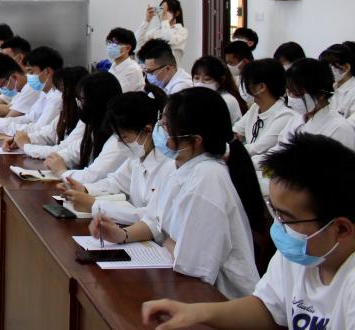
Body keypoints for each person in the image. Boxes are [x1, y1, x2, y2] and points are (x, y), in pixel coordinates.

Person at [140, 133, 355, 330]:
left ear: (341, 229)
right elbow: (266, 309)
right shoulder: (305, 253)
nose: (278, 226)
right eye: (275, 212)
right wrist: (197, 313)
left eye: (286, 218)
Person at [90, 87, 264, 299]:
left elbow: (192, 265)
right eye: (161, 124)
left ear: (195, 141)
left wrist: (168, 241)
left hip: (216, 298)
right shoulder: (179, 166)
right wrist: (122, 235)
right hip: (182, 281)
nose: (160, 134)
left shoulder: (207, 179)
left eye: (166, 128)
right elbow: (154, 220)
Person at [61, 91, 174, 225]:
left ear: (147, 130)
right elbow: (115, 183)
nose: (120, 143)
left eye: (124, 137)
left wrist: (94, 205)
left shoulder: (169, 164)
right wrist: (85, 189)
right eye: (117, 137)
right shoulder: (138, 155)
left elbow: (150, 216)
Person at [42, 71, 129, 184]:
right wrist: (56, 158)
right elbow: (72, 151)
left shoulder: (119, 139)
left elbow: (93, 177)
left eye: (82, 101)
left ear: (98, 103)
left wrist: (61, 172)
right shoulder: (94, 128)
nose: (79, 105)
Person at [277, 58, 355, 149]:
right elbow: (280, 146)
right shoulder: (297, 117)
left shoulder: (340, 129)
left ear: (320, 94)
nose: (291, 97)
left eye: (297, 94)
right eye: (288, 91)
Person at [234, 59, 299, 167]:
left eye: (246, 83)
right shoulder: (255, 107)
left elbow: (258, 148)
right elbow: (236, 132)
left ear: (261, 87)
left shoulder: (285, 115)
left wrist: (230, 151)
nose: (243, 87)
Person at [0, 46, 65, 144]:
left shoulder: (58, 98)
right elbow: (29, 118)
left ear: (47, 72)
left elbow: (38, 129)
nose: (28, 77)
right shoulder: (44, 93)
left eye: (31, 72)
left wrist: (1, 124)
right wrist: (1, 122)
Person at [17, 66, 89, 159]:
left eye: (62, 91)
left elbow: (62, 150)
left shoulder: (85, 120)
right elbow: (47, 134)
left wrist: (26, 146)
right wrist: (25, 139)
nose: (60, 96)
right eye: (57, 90)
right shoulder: (65, 114)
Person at [191, 56, 247, 124]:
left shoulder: (226, 100)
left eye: (207, 79)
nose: (200, 83)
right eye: (196, 78)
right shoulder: (195, 99)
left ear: (221, 80)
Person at [137, 0, 188, 65]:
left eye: (167, 10)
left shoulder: (182, 31)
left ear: (177, 13)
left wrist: (165, 21)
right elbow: (139, 42)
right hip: (152, 68)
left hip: (170, 68)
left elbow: (168, 40)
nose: (163, 13)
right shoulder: (155, 31)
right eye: (161, 9)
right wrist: (147, 20)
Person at [320, 43, 355, 119]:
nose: (324, 72)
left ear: (346, 67)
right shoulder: (333, 89)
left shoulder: (353, 92)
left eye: (329, 68)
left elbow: (352, 124)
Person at [105, 27, 145, 92]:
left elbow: (118, 93)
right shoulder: (114, 65)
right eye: (110, 42)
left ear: (128, 48)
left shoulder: (133, 70)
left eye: (115, 43)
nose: (110, 46)